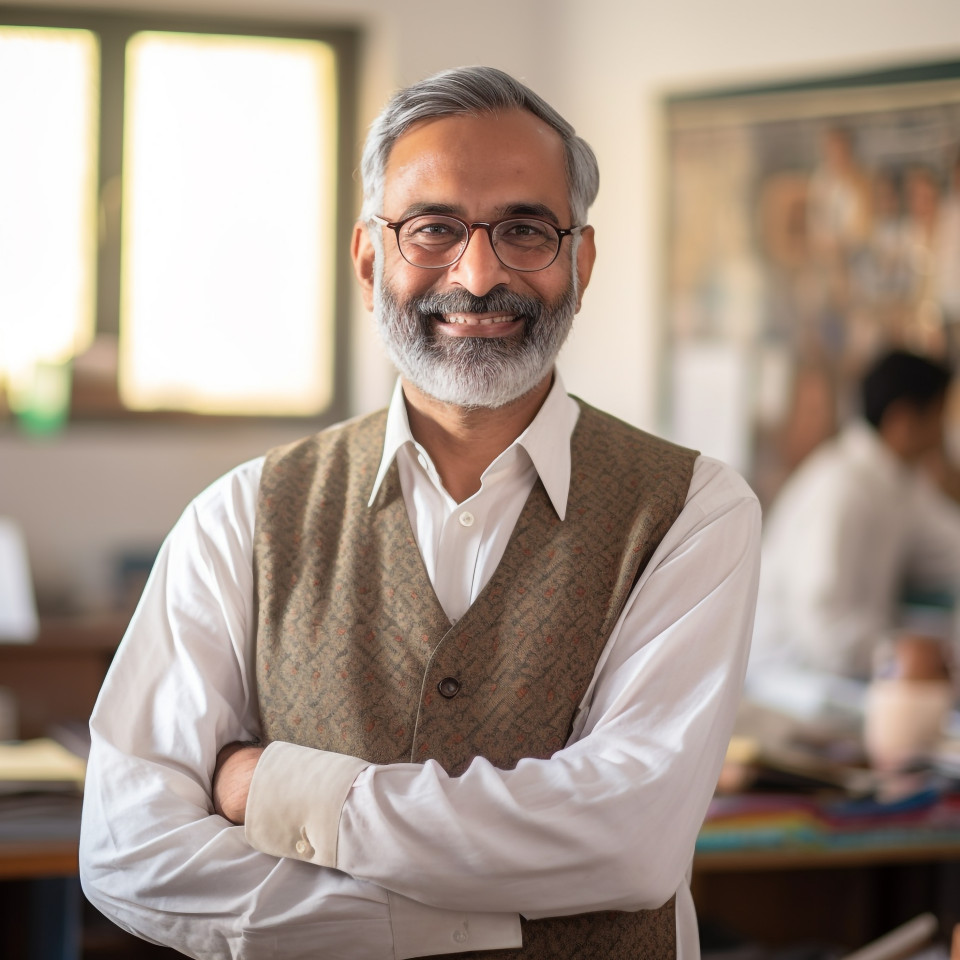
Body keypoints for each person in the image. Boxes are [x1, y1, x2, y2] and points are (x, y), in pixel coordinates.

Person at [79, 66, 761, 960]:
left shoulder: (694, 511)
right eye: (434, 229)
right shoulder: (241, 517)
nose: (478, 276)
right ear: (370, 260)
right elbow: (132, 848)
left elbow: (628, 840)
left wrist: (284, 792)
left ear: (581, 262)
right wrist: (443, 927)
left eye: (524, 230)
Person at [751, 348, 960, 693]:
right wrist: (901, 653)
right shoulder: (843, 486)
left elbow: (950, 548)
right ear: (903, 420)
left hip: (839, 676)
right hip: (789, 683)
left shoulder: (898, 482)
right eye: (939, 417)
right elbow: (822, 627)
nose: (945, 434)